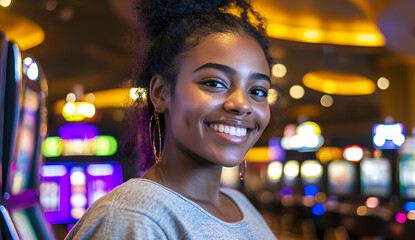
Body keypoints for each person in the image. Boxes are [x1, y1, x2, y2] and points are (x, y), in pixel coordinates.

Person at [66, 0, 276, 239]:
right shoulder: (133, 215)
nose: (242, 104)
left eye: (258, 91)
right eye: (215, 83)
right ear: (160, 93)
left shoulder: (238, 203)